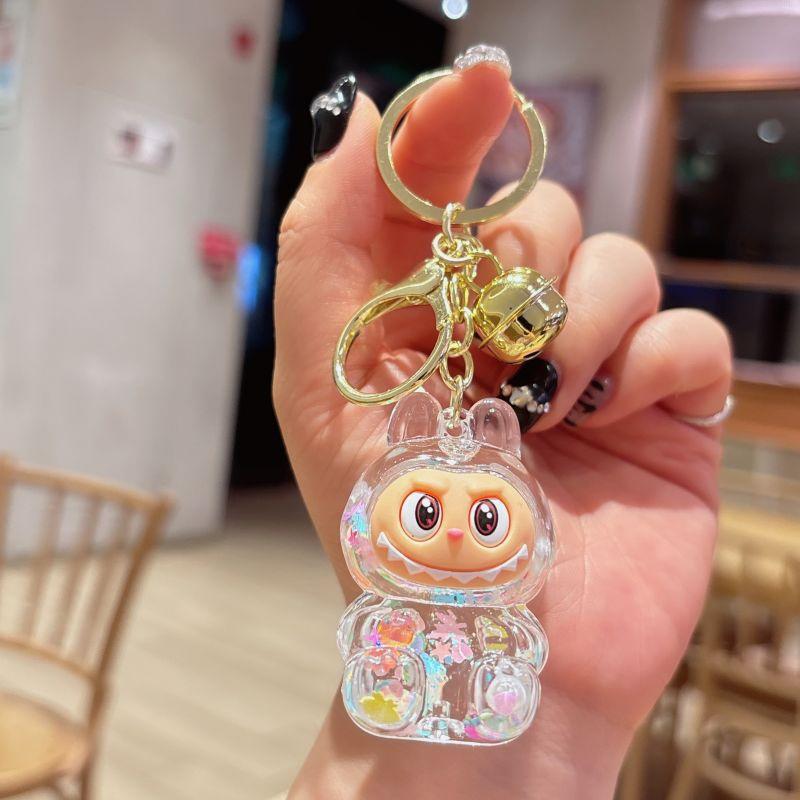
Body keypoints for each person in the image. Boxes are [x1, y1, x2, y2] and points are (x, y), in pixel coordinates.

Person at [273, 47, 732, 799]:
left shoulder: (516, 607)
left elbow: (519, 647)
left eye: (486, 520)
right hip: (399, 685)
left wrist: (562, 735)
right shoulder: (390, 579)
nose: (455, 534)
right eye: (426, 515)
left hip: (493, 691)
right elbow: (367, 640)